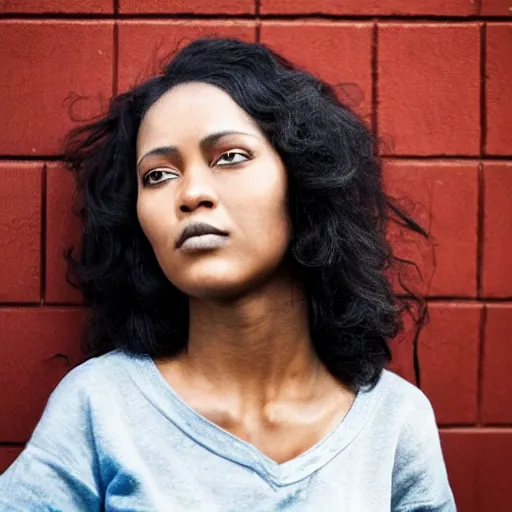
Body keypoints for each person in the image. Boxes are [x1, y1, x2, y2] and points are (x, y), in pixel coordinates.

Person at [0, 37, 456, 511]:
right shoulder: (100, 407)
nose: (192, 192)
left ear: (301, 179)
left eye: (231, 157)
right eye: (157, 174)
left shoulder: (394, 422)